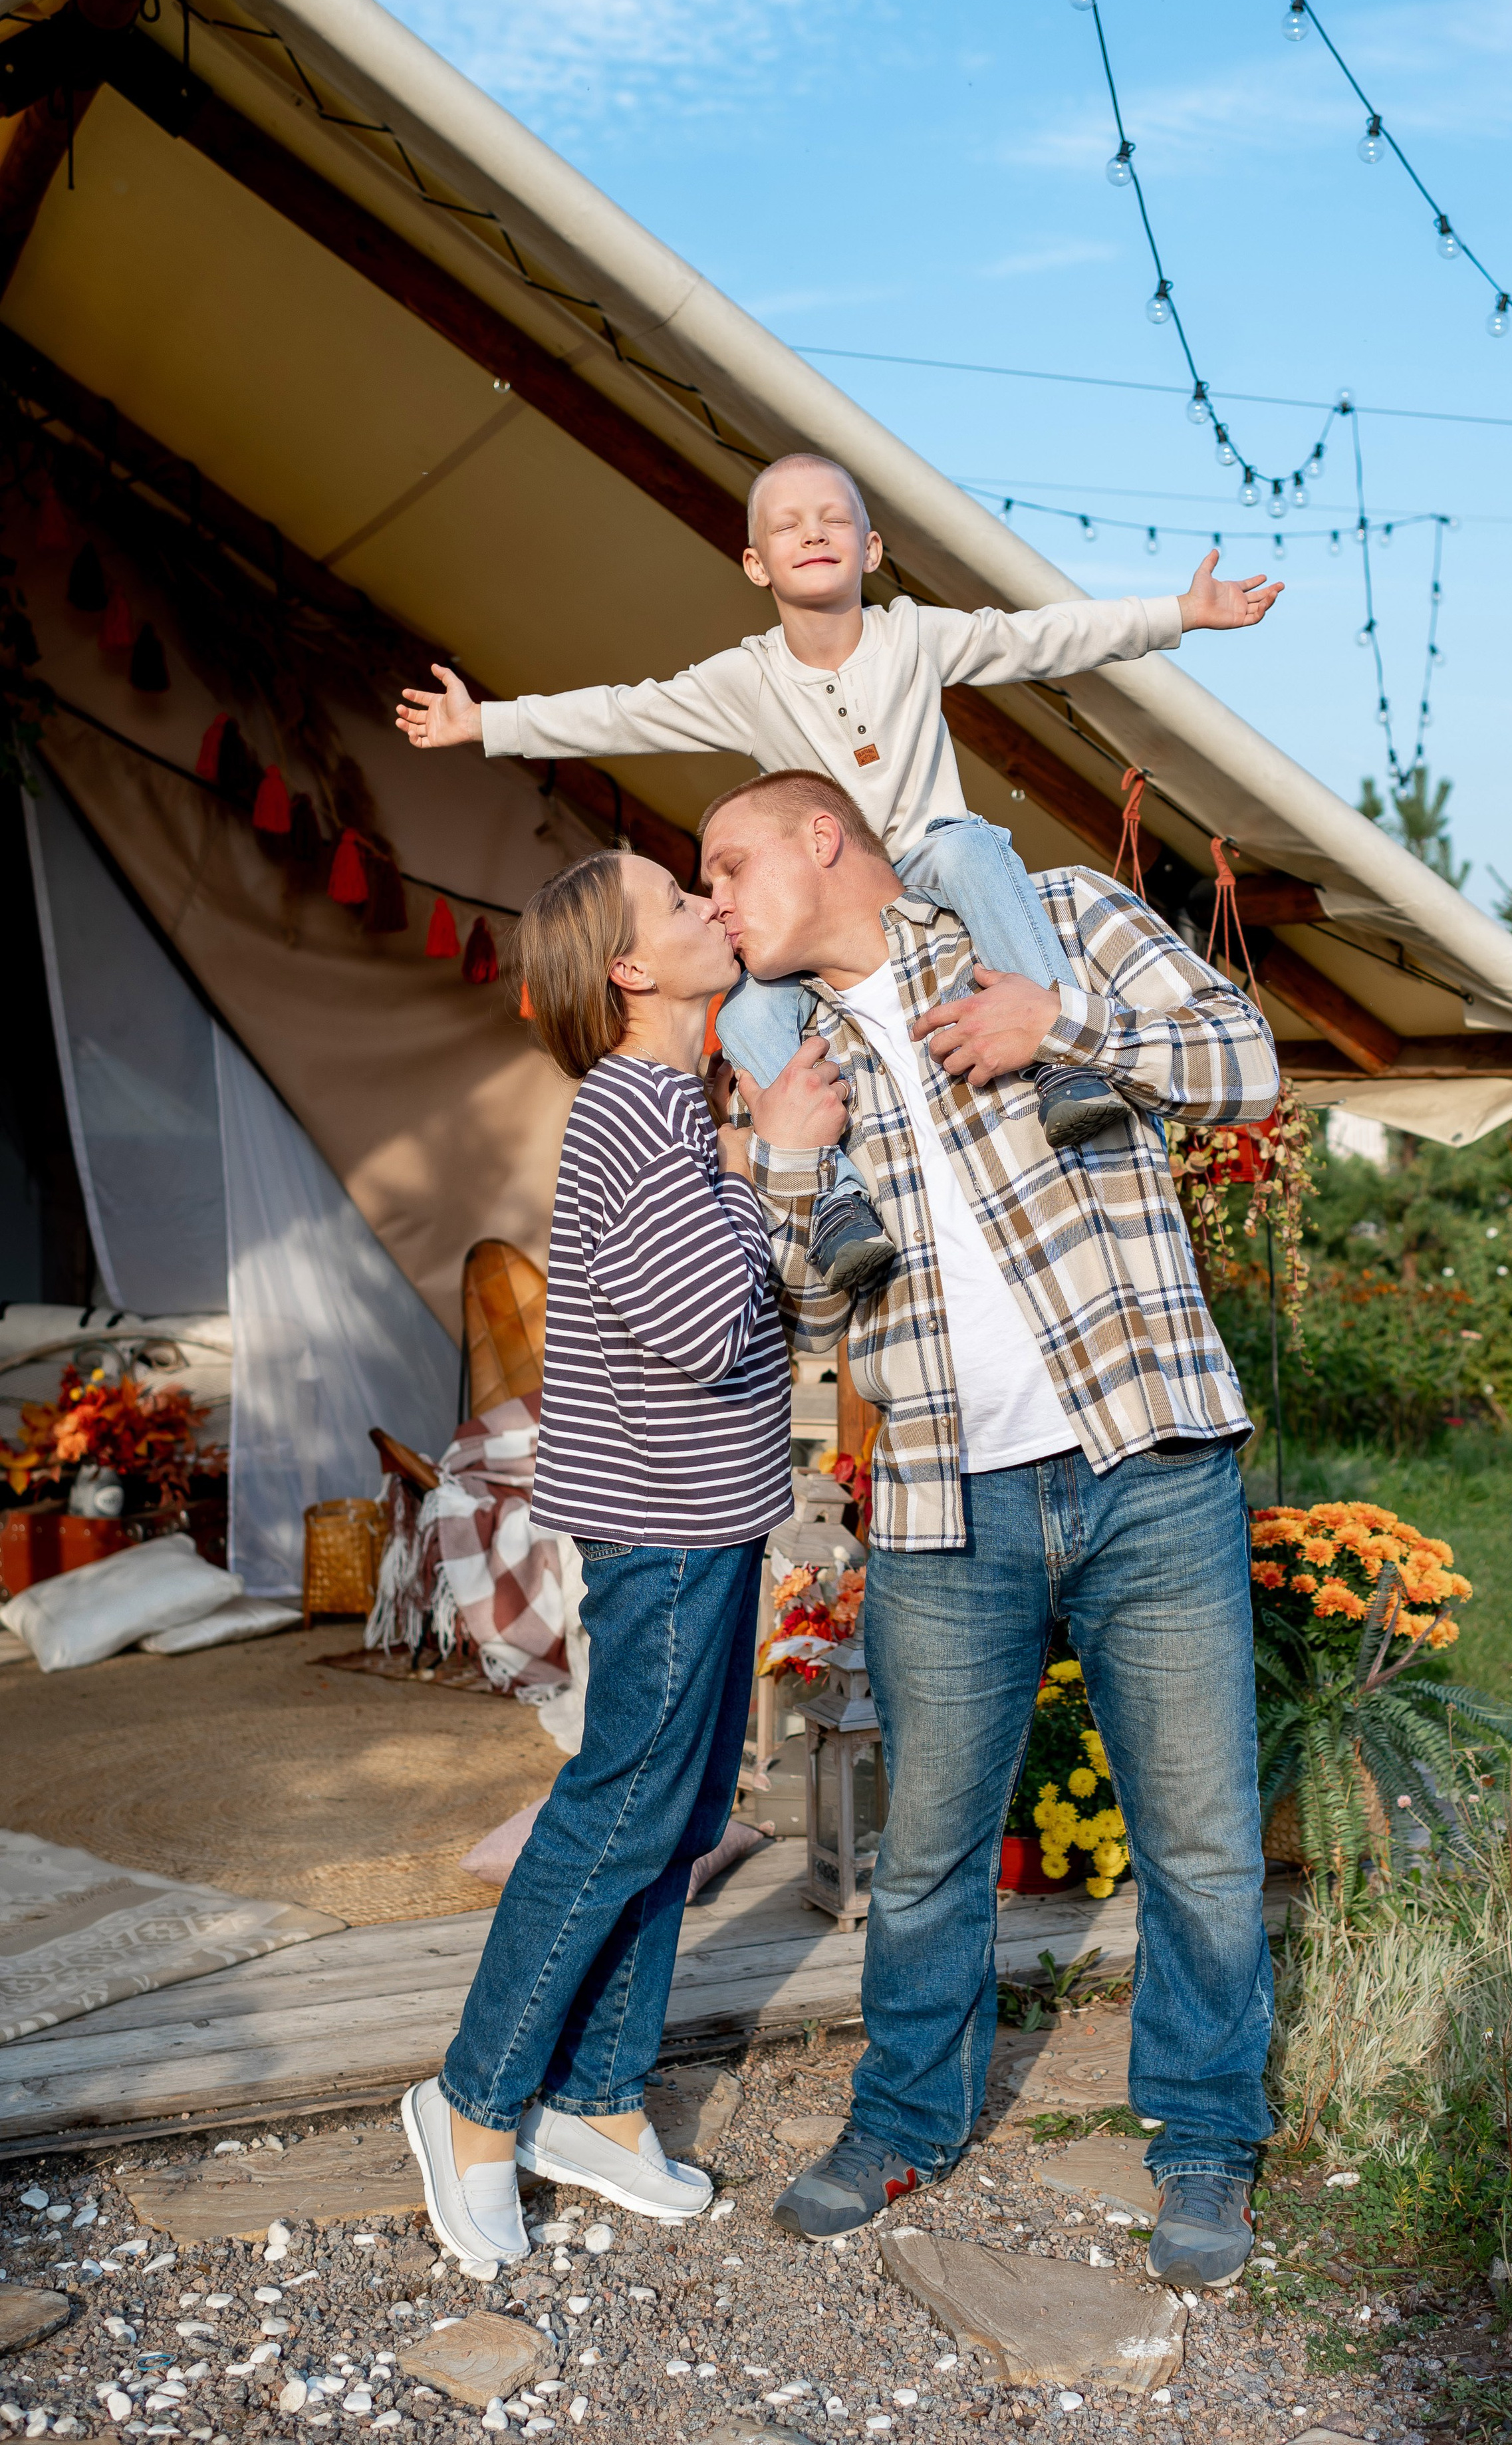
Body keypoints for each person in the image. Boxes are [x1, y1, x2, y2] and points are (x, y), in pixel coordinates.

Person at [698, 769, 1279, 2290]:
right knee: (927, 1852)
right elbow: (804, 1318)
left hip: (1147, 1456)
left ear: (821, 836)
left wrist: (1059, 1026)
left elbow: (1246, 1062)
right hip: (941, 1496)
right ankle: (904, 2115)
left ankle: (1205, 2132)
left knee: (1200, 1841)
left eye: (727, 864)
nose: (713, 902)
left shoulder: (1054, 919)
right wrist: (782, 1154)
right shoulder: (782, 1053)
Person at [395, 453, 1281, 1295]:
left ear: (872, 549)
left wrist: (1179, 613)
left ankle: (1063, 1065)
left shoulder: (916, 637)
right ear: (755, 563)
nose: (812, 532)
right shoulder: (746, 679)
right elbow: (624, 712)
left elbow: (1045, 636)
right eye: (787, 525)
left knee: (973, 847)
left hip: (932, 863)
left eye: (833, 520)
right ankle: (836, 1203)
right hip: (828, 910)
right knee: (744, 1013)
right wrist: (487, 724)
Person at [402, 847, 815, 2275]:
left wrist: (741, 1151)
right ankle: (472, 2104)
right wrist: (767, 1160)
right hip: (666, 1522)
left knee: (679, 1811)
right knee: (621, 1808)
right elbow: (704, 1328)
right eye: (680, 900)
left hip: (712, 1512)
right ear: (631, 970)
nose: (712, 903)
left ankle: (595, 2100)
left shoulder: (670, 1103)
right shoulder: (630, 1110)